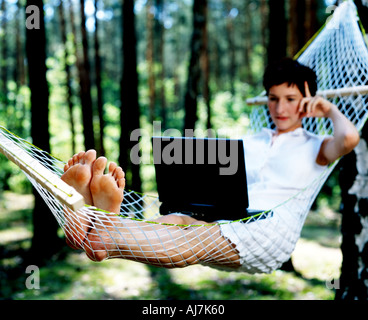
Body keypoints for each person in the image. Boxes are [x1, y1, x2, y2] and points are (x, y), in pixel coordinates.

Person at [61, 58, 360, 273]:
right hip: (226, 217)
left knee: (193, 238)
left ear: (308, 100)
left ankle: (102, 226)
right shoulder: (250, 140)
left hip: (270, 230)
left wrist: (328, 108)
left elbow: (348, 138)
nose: (280, 108)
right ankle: (95, 230)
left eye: (290, 99)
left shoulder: (316, 145)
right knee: (178, 219)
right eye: (273, 98)